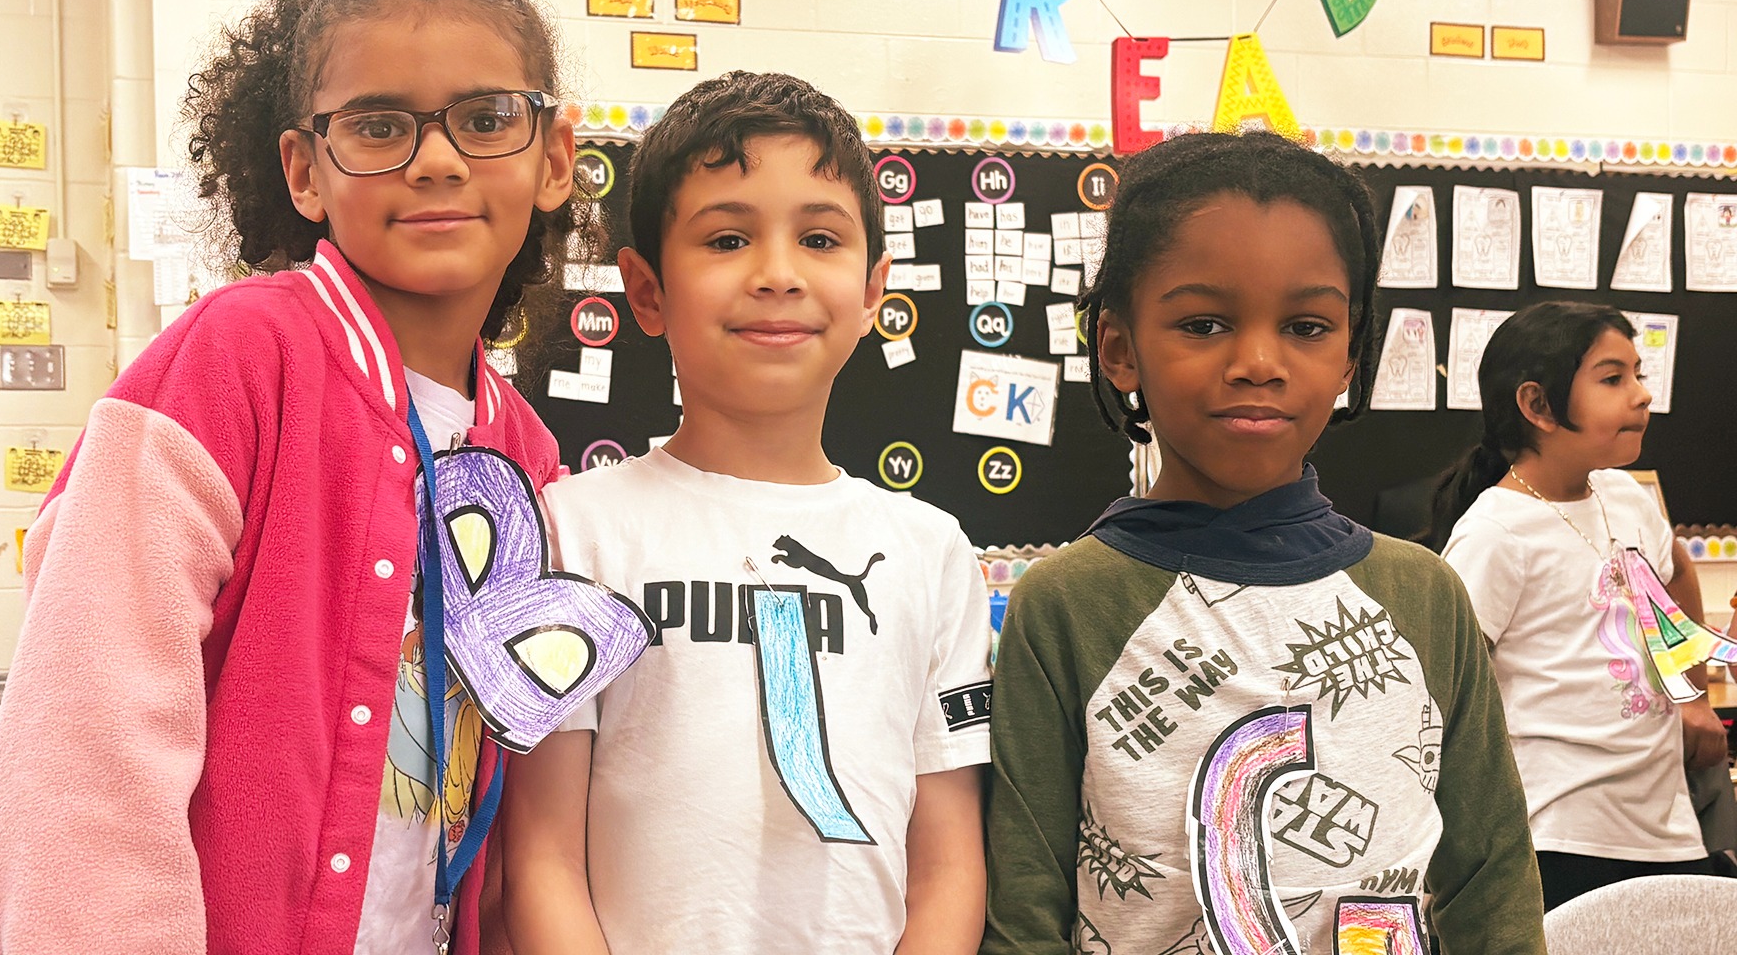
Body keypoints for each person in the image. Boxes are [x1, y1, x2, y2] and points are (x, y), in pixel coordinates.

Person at [0, 0, 640, 954]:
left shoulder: (526, 455)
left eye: (486, 117)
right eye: (378, 125)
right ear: (304, 171)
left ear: (552, 159)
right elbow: (84, 756)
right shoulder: (237, 362)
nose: (438, 159)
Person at [983, 131, 1545, 955]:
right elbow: (1024, 912)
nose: (1257, 362)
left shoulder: (1423, 593)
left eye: (1307, 326)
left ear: (1353, 353)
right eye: (1204, 323)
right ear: (1119, 348)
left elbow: (1491, 881)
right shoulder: (1067, 603)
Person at [499, 71, 991, 955]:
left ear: (874, 287)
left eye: (819, 239)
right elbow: (541, 857)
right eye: (727, 238)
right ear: (647, 292)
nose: (777, 275)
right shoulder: (572, 530)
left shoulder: (930, 551)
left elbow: (948, 866)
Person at [1433, 300, 1730, 911]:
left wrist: (1694, 697)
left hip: (1666, 832)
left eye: (1639, 375)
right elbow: (1445, 688)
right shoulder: (1496, 532)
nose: (1642, 395)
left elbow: (1677, 572)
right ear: (1537, 405)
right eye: (1613, 378)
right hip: (1557, 836)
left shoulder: (1624, 495)